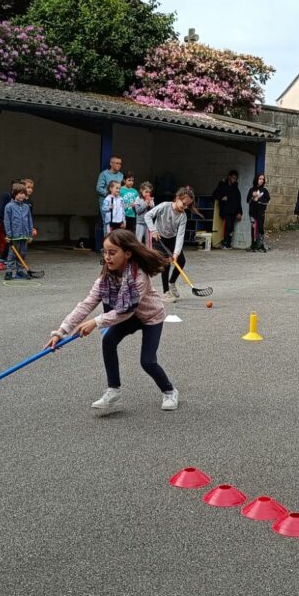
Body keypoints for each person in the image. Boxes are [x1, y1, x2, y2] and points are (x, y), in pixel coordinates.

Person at [47, 228, 178, 413]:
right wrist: (61, 331)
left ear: (128, 253)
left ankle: (169, 391)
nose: (107, 257)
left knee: (148, 362)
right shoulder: (105, 277)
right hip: (127, 316)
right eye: (105, 252)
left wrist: (96, 322)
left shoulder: (139, 276)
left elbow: (126, 310)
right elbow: (86, 304)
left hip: (150, 317)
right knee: (108, 341)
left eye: (112, 252)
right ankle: (113, 391)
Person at [140, 187, 195, 300]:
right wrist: (153, 230)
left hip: (172, 239)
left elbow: (180, 235)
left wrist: (176, 253)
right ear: (177, 198)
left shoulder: (183, 216)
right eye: (184, 203)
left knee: (181, 261)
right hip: (158, 238)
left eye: (187, 205)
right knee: (166, 263)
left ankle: (172, 282)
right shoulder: (165, 206)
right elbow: (147, 216)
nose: (185, 207)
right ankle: (166, 292)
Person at [3, 181, 38, 280]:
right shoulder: (9, 206)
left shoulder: (26, 207)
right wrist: (9, 235)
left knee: (22, 254)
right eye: (20, 194)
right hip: (14, 236)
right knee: (12, 254)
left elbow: (29, 221)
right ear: (15, 194)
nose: (23, 196)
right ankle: (9, 271)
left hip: (25, 235)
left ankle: (19, 271)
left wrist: (30, 234)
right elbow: (7, 221)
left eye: (24, 194)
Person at [94, 155, 124, 250]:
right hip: (106, 202)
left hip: (118, 202)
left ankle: (115, 246)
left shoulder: (121, 175)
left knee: (117, 223)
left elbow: (121, 189)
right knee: (107, 223)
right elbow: (99, 188)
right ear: (111, 164)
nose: (119, 165)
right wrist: (110, 194)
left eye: (120, 163)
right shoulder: (104, 174)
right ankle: (107, 246)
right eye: (117, 163)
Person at [211, 170, 242, 249]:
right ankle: (224, 243)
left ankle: (228, 243)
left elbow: (238, 201)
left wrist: (239, 212)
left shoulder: (235, 188)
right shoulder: (222, 185)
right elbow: (214, 194)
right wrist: (221, 198)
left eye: (235, 178)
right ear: (229, 177)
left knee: (231, 227)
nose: (234, 180)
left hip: (233, 211)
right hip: (225, 210)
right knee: (228, 225)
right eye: (233, 178)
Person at [247, 173, 271, 252]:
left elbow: (267, 200)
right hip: (252, 212)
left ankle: (260, 245)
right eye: (260, 179)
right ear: (256, 179)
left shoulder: (265, 190)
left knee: (260, 227)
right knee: (253, 228)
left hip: (261, 212)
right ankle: (253, 245)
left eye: (262, 179)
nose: (261, 180)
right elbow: (248, 200)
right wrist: (253, 196)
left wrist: (259, 200)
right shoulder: (252, 190)